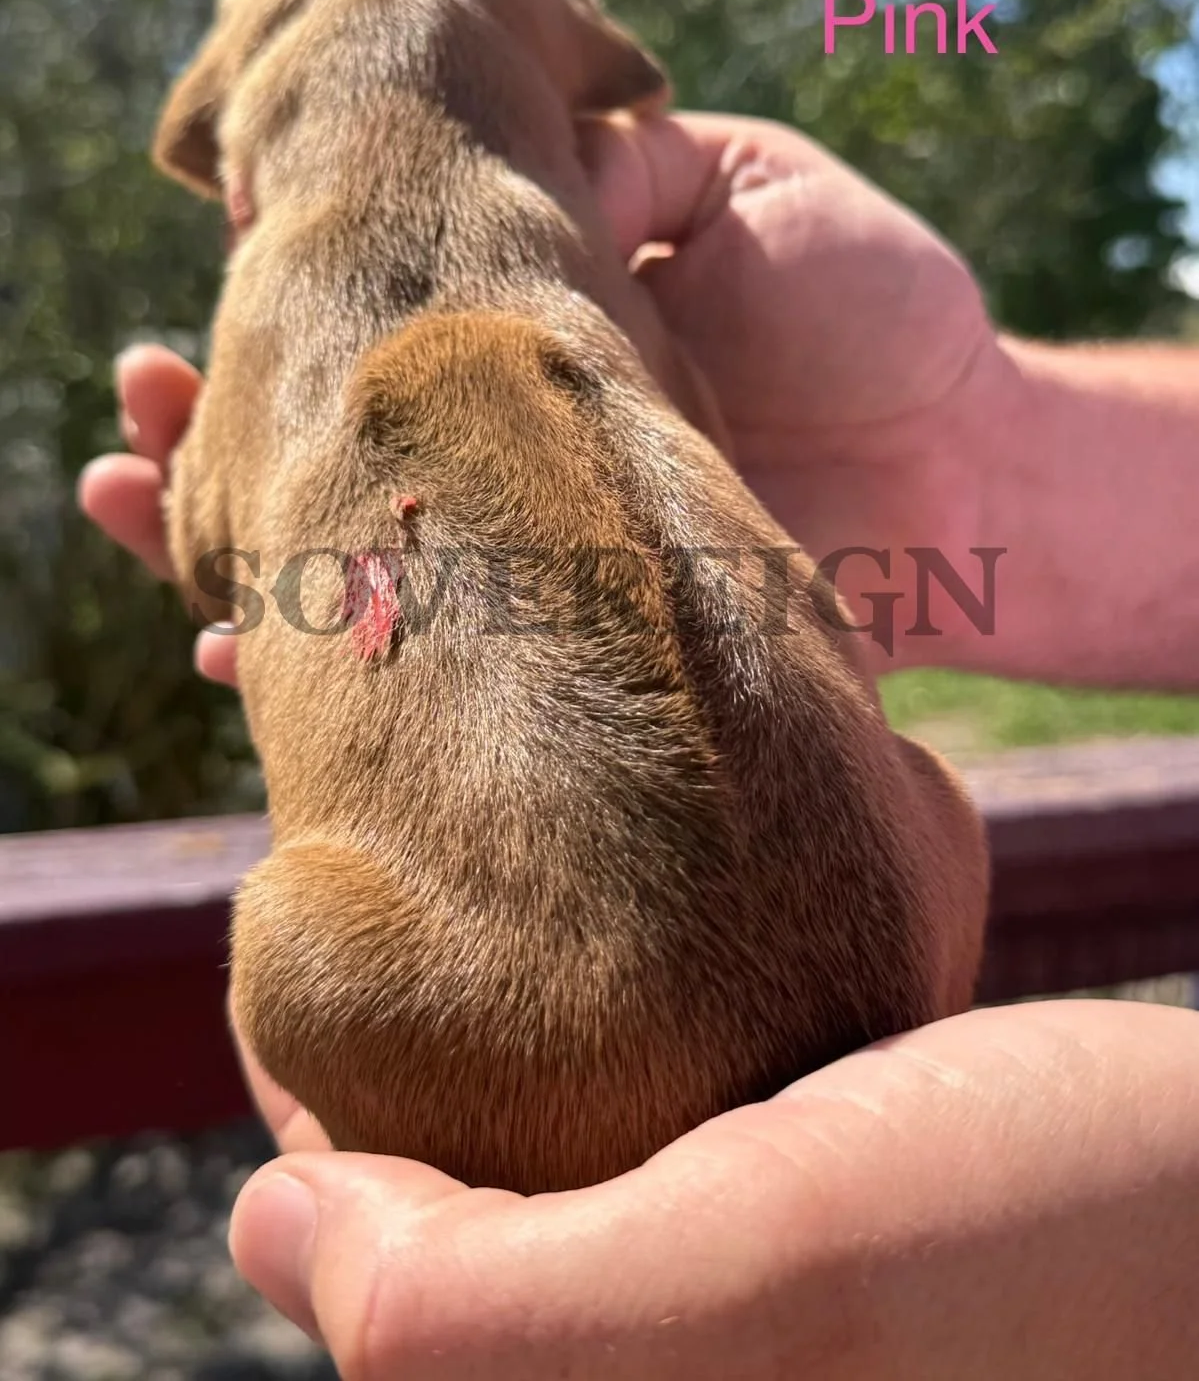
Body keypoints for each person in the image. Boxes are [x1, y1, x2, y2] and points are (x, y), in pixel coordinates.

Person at [81, 113, 1199, 1379]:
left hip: (512, 1090)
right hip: (872, 964)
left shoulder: (280, 323)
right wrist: (953, 451)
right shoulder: (586, 286)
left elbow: (205, 537)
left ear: (232, 146)